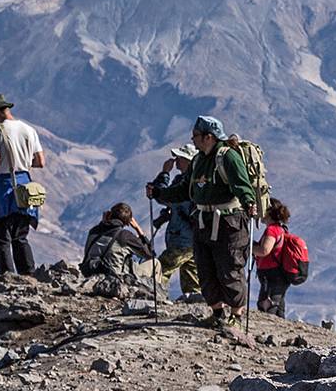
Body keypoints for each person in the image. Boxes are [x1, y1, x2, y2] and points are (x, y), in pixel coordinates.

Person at [147, 115, 255, 329]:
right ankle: (217, 313)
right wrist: (159, 192)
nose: (193, 139)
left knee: (229, 267)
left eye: (196, 136)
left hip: (228, 221)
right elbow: (183, 191)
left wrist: (249, 202)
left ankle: (236, 315)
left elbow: (242, 185)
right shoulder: (198, 161)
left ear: (209, 137)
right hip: (203, 221)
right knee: (205, 269)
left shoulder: (228, 157)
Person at [0, 94, 44, 276]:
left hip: (3, 186)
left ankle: (7, 275)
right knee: (20, 236)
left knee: (1, 237)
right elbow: (40, 161)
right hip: (25, 186)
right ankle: (29, 274)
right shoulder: (29, 130)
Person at [149, 144, 203, 301]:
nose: (176, 160)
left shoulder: (186, 183)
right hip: (192, 238)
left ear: (188, 161)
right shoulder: (191, 181)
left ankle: (154, 298)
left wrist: (164, 173)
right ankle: (195, 304)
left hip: (183, 240)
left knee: (160, 269)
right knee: (191, 276)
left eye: (180, 158)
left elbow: (162, 196)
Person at [81, 203, 159, 283]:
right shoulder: (125, 236)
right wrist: (138, 229)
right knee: (155, 263)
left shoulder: (94, 231)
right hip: (114, 281)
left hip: (89, 274)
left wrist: (102, 223)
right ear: (129, 222)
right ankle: (156, 294)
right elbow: (150, 254)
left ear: (109, 214)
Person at [253, 198, 293, 318]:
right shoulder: (280, 229)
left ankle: (267, 334)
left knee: (267, 306)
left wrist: (249, 247)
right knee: (278, 307)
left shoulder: (272, 230)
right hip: (279, 275)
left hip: (271, 275)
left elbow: (264, 250)